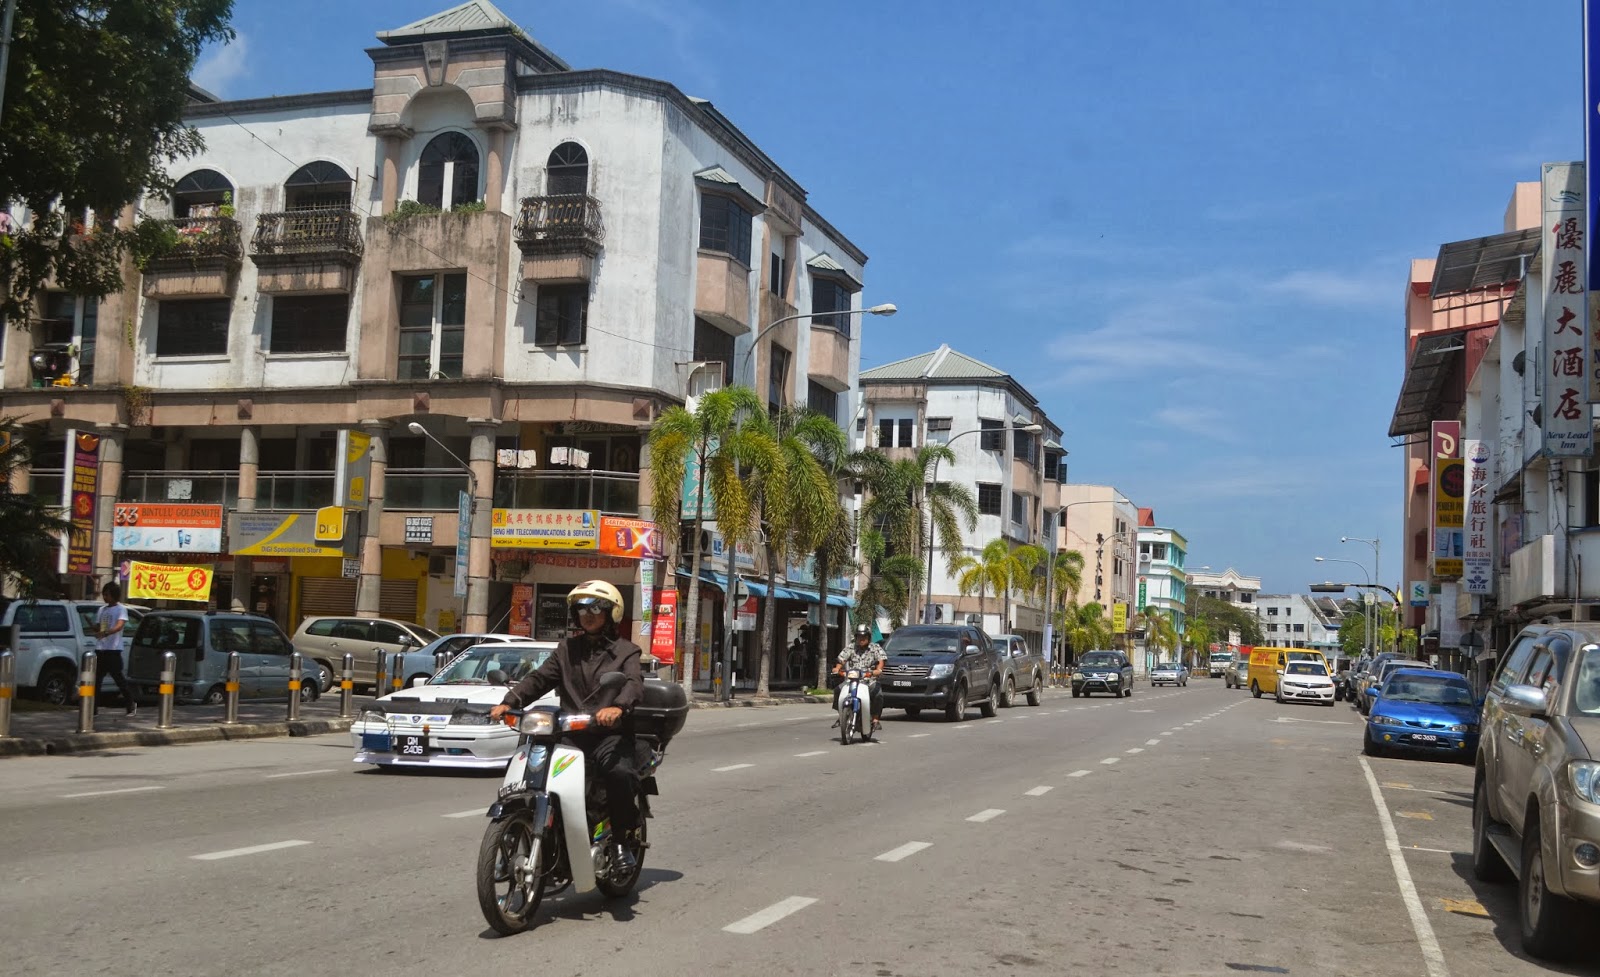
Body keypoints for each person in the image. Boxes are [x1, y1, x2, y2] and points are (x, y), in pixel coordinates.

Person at [489, 580, 644, 874]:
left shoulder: (627, 652)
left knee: (619, 772)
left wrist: (617, 707)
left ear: (611, 613)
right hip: (571, 734)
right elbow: (539, 678)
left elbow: (634, 684)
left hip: (608, 735)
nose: (588, 614)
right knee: (537, 769)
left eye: (596, 608)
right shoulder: (566, 649)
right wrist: (509, 702)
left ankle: (623, 840)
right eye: (581, 609)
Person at [95, 581, 136, 717]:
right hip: (101, 648)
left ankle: (130, 704)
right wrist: (97, 630)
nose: (105, 598)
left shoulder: (120, 609)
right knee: (96, 680)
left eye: (107, 595)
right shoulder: (102, 610)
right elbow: (98, 626)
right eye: (104, 595)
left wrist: (108, 632)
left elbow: (120, 625)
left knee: (119, 679)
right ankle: (93, 708)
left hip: (113, 649)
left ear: (114, 595)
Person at [834, 623, 886, 730]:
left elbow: (881, 660)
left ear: (868, 637)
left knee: (878, 694)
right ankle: (841, 716)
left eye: (864, 636)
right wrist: (837, 669)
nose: (861, 639)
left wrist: (878, 670)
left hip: (869, 680)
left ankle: (876, 719)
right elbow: (841, 660)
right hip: (852, 680)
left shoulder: (875, 647)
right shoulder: (851, 647)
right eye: (859, 636)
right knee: (838, 690)